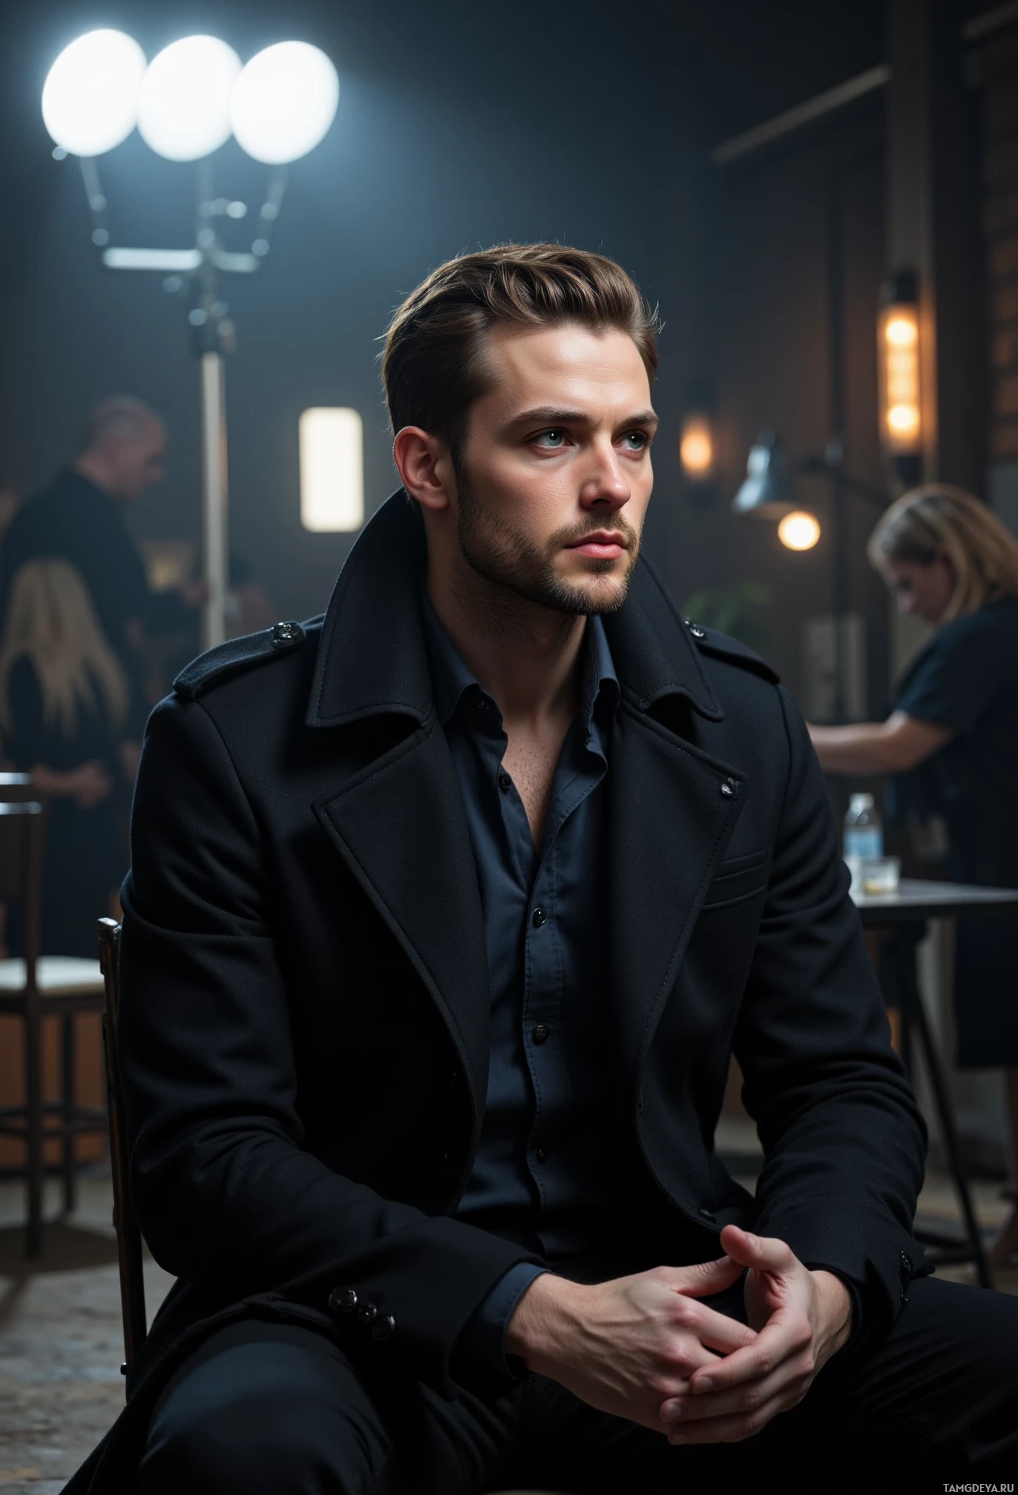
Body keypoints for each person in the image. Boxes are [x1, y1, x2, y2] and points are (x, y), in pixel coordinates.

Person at [66, 247, 1017, 1495]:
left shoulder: (739, 726)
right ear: (427, 467)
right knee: (245, 1459)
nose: (610, 484)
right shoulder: (234, 739)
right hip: (358, 1320)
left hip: (679, 1288)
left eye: (633, 439)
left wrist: (828, 1291)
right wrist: (533, 1313)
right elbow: (206, 1156)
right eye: (552, 439)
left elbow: (840, 1078)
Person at [809, 484, 1018, 1269]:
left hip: (1004, 865)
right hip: (990, 858)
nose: (904, 602)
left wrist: (782, 741)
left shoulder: (980, 638)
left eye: (905, 582)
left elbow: (898, 747)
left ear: (947, 558)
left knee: (1013, 1039)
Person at [0, 398, 206, 774]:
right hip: (81, 727)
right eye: (152, 460)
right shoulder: (91, 525)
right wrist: (179, 601)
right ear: (116, 448)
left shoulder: (39, 513)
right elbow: (123, 617)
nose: (157, 474)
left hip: (46, 721)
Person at [0, 558, 128, 956]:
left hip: (50, 835)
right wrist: (89, 783)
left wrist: (67, 783)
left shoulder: (21, 670)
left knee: (48, 952)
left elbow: (23, 765)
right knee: (93, 957)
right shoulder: (103, 671)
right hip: (90, 831)